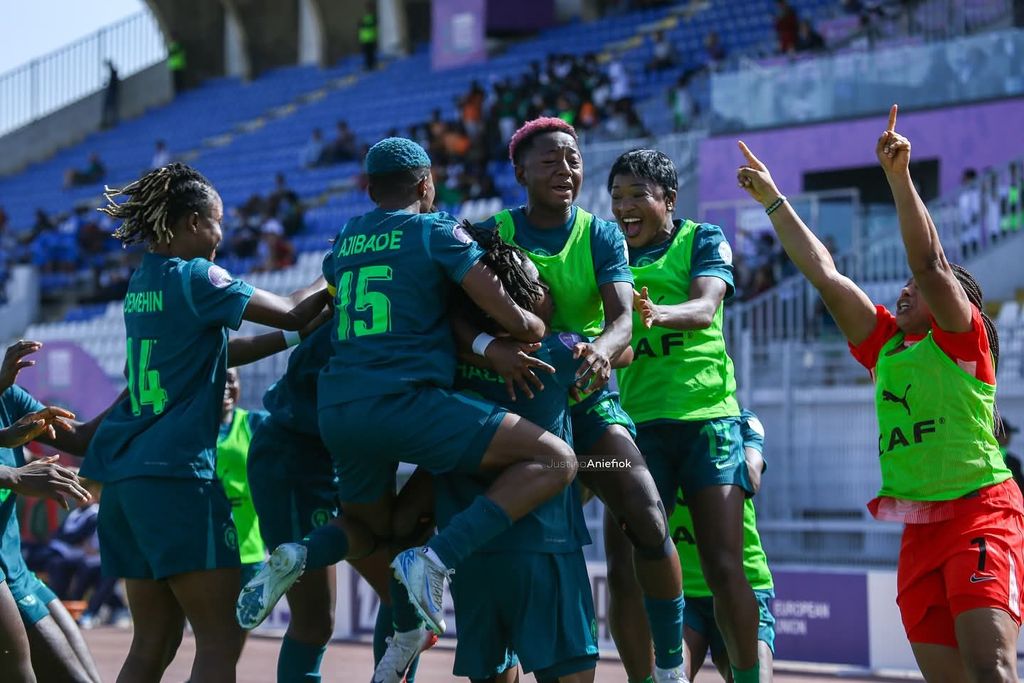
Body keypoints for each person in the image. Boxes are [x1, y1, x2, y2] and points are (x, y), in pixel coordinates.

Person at [236, 139, 578, 663]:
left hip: (339, 415)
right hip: (405, 405)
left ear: (370, 190)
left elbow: (310, 307)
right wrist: (532, 324)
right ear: (425, 184)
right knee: (556, 459)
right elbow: (511, 314)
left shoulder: (348, 237)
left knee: (374, 533)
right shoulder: (435, 230)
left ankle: (299, 552)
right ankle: (438, 559)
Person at [735, 105, 1024, 680]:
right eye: (904, 285)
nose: (904, 288)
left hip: (980, 515)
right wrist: (772, 199)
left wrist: (898, 175)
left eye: (915, 286)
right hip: (918, 531)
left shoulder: (964, 345)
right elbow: (825, 275)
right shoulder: (886, 348)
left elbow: (931, 260)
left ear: (953, 302)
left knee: (990, 669)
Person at [81, 162, 330, 683]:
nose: (222, 236)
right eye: (218, 222)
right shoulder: (197, 276)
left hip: (125, 481)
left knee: (152, 643)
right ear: (193, 223)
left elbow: (212, 352)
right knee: (219, 641)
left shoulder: (143, 280)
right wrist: (340, 266)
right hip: (176, 478)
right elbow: (289, 307)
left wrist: (294, 338)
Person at [470, 119, 687, 683]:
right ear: (520, 172)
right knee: (480, 536)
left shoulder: (599, 235)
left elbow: (622, 323)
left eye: (573, 160)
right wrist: (489, 349)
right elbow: (459, 319)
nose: (566, 171)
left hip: (587, 412)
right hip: (515, 409)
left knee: (645, 509)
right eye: (550, 162)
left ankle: (668, 666)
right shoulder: (491, 233)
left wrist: (601, 350)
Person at [394, 223, 603, 683]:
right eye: (541, 284)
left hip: (471, 558)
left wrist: (480, 344)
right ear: (521, 301)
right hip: (544, 549)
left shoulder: (444, 361)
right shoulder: (559, 351)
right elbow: (619, 352)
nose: (550, 292)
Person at [608, 149, 761, 683]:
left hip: (707, 422)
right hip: (636, 430)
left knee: (723, 567)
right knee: (627, 572)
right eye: (617, 197)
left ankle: (747, 676)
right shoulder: (609, 254)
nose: (624, 207)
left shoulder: (703, 238)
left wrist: (654, 314)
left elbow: (705, 309)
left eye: (637, 196)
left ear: (669, 200)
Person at [0, 340, 112, 683]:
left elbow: (79, 439)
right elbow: (15, 469)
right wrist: (16, 476)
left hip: (14, 566)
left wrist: (139, 386)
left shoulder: (9, 397)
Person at [670, 410, 775, 683]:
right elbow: (607, 466)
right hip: (682, 592)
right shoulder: (653, 430)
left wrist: (705, 457)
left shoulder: (744, 423)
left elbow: (752, 477)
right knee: (668, 678)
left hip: (744, 582)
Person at [217, 368, 268, 597]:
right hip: (210, 550)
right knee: (216, 627)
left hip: (250, 547)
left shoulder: (253, 423)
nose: (226, 387)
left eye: (231, 380)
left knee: (244, 624)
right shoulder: (194, 429)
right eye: (219, 380)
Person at [359, 1, 378, 71]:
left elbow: (371, 25)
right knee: (367, 54)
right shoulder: (365, 17)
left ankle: (372, 65)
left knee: (371, 53)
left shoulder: (372, 17)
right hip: (364, 38)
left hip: (370, 38)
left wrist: (364, 25)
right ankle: (368, 65)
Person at [101, 60, 120, 129]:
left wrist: (109, 65)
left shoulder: (114, 75)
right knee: (107, 108)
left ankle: (111, 122)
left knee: (110, 108)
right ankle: (106, 122)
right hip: (110, 94)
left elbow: (112, 71)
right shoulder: (113, 76)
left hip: (112, 94)